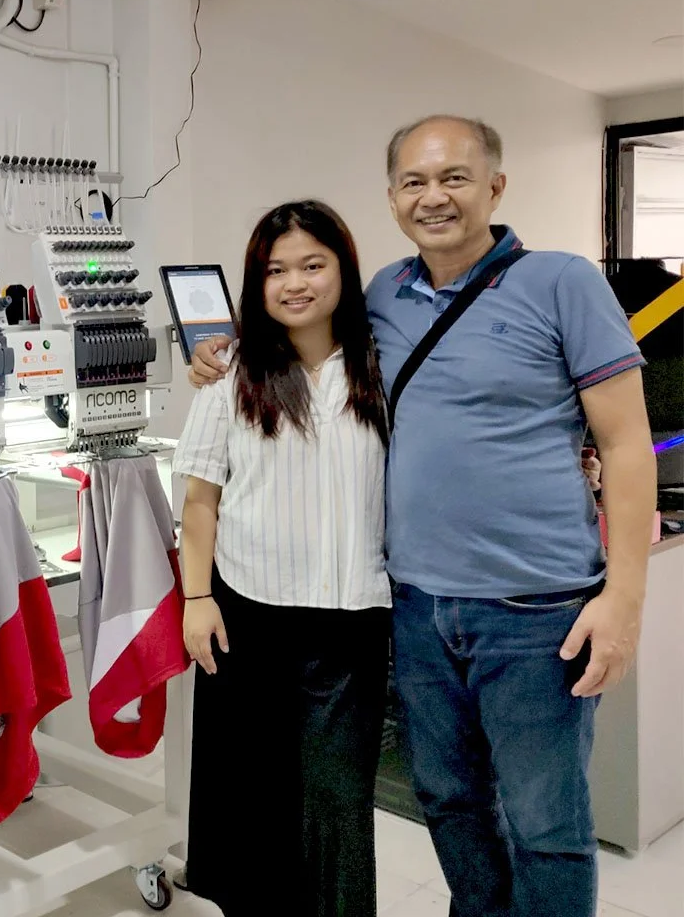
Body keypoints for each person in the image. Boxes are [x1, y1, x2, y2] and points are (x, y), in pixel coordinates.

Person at [188, 115, 656, 917]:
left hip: (536, 608)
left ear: (495, 187)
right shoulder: (384, 298)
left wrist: (623, 599)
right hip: (414, 605)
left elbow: (627, 444)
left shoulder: (562, 281)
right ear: (393, 197)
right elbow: (304, 332)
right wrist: (224, 345)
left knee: (546, 819)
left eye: (453, 177)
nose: (433, 196)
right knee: (449, 801)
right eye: (414, 181)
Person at [173, 200, 392, 916]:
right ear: (255, 283)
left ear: (342, 270)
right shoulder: (232, 373)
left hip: (352, 623)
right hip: (249, 618)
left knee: (337, 805)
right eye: (275, 270)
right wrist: (195, 599)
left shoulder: (380, 368)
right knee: (252, 807)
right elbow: (200, 498)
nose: (294, 283)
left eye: (312, 265)